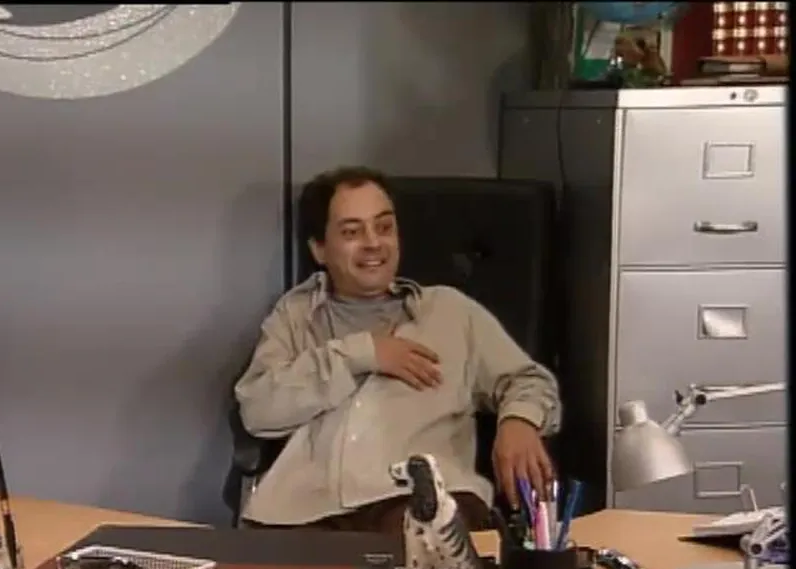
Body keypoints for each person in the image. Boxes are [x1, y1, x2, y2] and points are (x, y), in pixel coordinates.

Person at [235, 166, 560, 533]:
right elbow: (258, 410)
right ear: (319, 249)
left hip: (417, 501)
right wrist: (362, 354)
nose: (374, 243)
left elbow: (528, 380)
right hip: (306, 509)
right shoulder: (296, 315)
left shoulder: (450, 311)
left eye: (384, 227)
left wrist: (519, 421)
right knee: (261, 566)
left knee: (415, 543)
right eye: (352, 232)